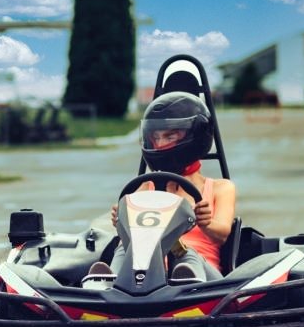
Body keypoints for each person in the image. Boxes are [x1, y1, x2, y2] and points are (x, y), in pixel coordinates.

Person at [86, 91, 236, 284]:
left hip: (206, 279)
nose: (160, 144)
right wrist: (121, 224)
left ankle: (187, 281)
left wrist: (206, 223)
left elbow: (222, 235)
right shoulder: (144, 186)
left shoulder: (220, 188)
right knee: (125, 247)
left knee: (184, 250)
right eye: (155, 137)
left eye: (169, 136)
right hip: (147, 276)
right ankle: (106, 283)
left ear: (194, 136)